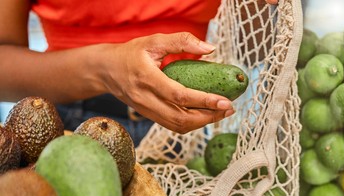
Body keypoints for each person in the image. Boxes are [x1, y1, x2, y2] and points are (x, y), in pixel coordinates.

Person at [0, 0, 278, 146]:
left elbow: (254, 50)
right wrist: (104, 70)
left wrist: (262, 7)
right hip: (69, 125)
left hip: (186, 128)